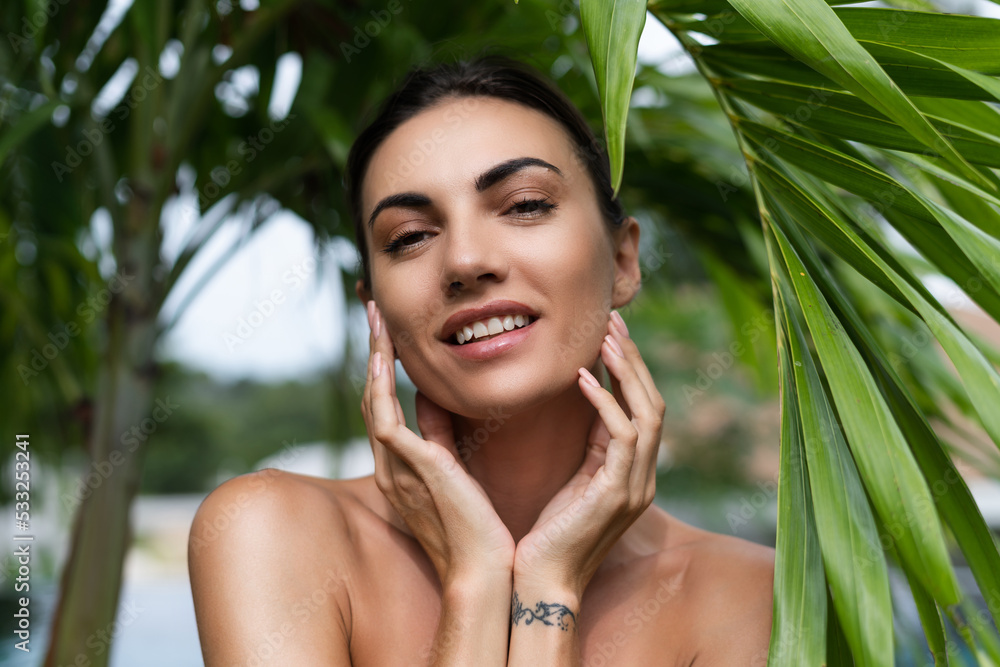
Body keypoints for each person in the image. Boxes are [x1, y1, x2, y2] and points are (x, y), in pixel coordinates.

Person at [188, 54, 775, 665]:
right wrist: (475, 582)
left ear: (624, 262)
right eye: (410, 237)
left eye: (525, 205)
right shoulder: (270, 531)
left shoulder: (749, 598)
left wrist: (550, 584)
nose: (466, 261)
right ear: (375, 311)